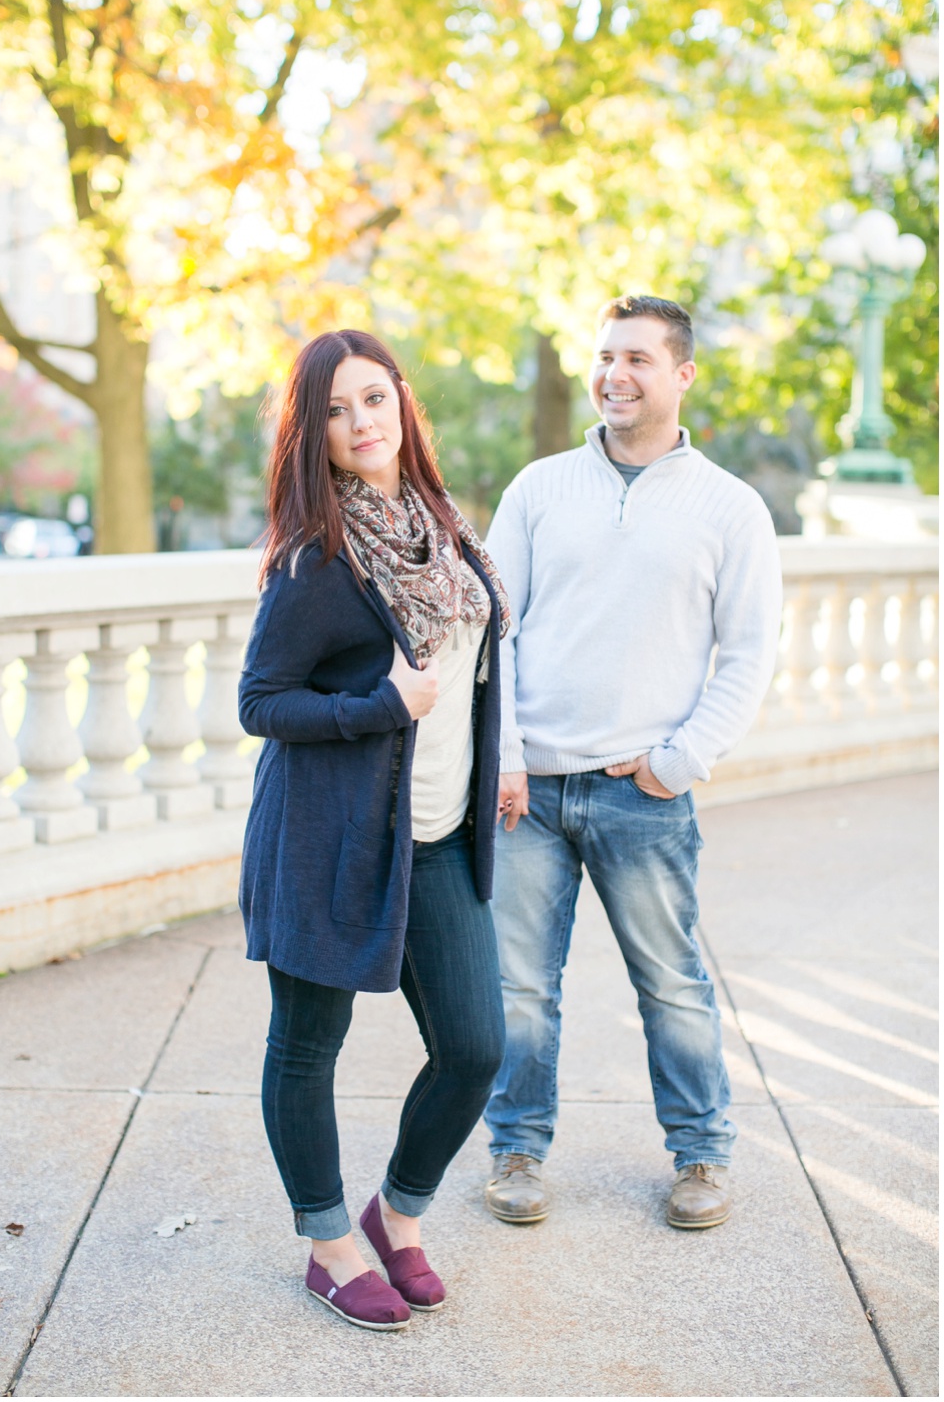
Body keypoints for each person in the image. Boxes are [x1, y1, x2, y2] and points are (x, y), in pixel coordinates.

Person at [481, 295, 782, 1232]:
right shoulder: (538, 488)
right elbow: (493, 631)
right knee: (520, 989)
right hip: (529, 792)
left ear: (683, 374)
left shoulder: (729, 507)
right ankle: (517, 1148)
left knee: (673, 983)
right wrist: (505, 757)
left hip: (641, 792)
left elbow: (748, 653)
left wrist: (677, 762)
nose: (615, 373)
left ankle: (701, 1156)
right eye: (606, 355)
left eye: (639, 359)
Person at [238, 330, 514, 1332]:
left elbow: (481, 664)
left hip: (438, 831)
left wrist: (503, 760)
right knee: (307, 1045)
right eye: (334, 410)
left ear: (400, 401)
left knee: (476, 1046)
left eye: (370, 398)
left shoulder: (440, 525)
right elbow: (260, 701)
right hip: (326, 837)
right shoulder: (316, 558)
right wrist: (374, 704)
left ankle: (393, 1212)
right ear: (312, 432)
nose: (358, 422)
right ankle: (325, 1241)